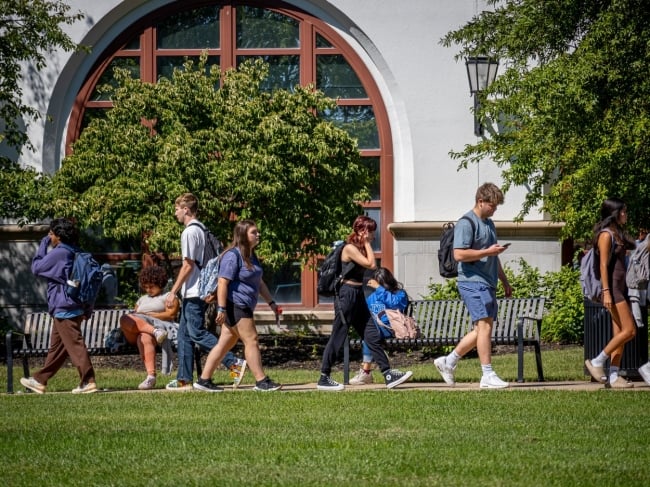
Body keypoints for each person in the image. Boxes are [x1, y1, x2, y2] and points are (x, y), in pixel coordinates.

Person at [317, 215, 413, 391]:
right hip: (346, 296)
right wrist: (367, 243)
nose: (373, 236)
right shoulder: (349, 248)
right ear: (363, 231)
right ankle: (324, 377)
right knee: (338, 335)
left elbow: (370, 264)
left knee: (371, 334)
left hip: (358, 295)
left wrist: (366, 243)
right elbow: (371, 265)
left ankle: (388, 374)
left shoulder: (359, 249)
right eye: (371, 232)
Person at [433, 183, 512, 389]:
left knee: (482, 329)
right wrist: (487, 252)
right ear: (480, 201)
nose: (494, 209)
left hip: (487, 282)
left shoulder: (489, 223)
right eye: (492, 205)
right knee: (484, 326)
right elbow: (459, 254)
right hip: (471, 282)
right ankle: (487, 374)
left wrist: (504, 280)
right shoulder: (466, 223)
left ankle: (448, 362)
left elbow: (493, 255)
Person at [165, 193, 246, 391]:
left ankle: (232, 361)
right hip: (196, 290)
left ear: (186, 209)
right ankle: (184, 379)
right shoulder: (202, 229)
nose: (175, 213)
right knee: (184, 335)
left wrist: (173, 291)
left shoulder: (190, 232)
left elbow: (187, 265)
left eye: (176, 209)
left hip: (194, 291)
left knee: (197, 333)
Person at [195, 219, 282, 392]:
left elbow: (259, 282)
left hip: (243, 305)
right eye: (254, 232)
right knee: (252, 340)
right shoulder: (232, 255)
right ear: (243, 235)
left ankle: (203, 380)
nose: (258, 235)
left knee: (224, 344)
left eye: (257, 232)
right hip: (235, 304)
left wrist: (271, 302)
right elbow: (222, 283)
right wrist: (221, 308)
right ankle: (261, 381)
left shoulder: (251, 255)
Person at [20, 218, 98, 394]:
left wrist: (43, 244)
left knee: (75, 345)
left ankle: (88, 380)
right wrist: (88, 309)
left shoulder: (60, 252)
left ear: (59, 236)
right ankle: (40, 380)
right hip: (74, 305)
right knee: (57, 348)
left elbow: (36, 268)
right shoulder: (75, 251)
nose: (50, 237)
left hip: (65, 307)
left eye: (51, 234)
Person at [585, 198, 637, 388]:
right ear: (614, 214)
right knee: (630, 330)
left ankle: (614, 377)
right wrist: (606, 292)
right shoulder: (606, 235)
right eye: (623, 211)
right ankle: (597, 361)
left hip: (621, 287)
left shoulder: (618, 233)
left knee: (620, 334)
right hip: (613, 289)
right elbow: (603, 266)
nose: (626, 215)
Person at [119, 265, 179, 390]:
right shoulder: (141, 299)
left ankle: (150, 377)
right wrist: (142, 317)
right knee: (125, 318)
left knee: (145, 337)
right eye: (145, 287)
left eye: (151, 286)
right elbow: (134, 317)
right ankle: (155, 331)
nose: (148, 290)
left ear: (160, 283)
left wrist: (150, 316)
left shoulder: (168, 296)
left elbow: (171, 314)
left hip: (156, 331)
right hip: (135, 332)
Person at [349, 267, 410, 385]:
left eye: (381, 283)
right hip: (377, 329)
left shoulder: (400, 294)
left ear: (387, 281)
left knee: (369, 334)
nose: (378, 286)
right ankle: (371, 373)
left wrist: (379, 289)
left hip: (392, 329)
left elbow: (395, 303)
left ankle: (365, 372)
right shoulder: (373, 297)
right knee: (369, 332)